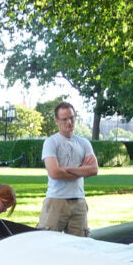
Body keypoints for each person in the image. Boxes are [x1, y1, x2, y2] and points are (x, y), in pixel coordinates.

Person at [37, 102, 98, 237]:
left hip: (79, 202)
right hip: (56, 201)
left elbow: (94, 169)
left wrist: (67, 169)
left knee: (79, 246)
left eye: (71, 117)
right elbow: (54, 172)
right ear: (57, 121)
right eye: (64, 119)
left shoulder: (84, 143)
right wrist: (81, 170)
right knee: (47, 242)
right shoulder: (51, 142)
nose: (69, 122)